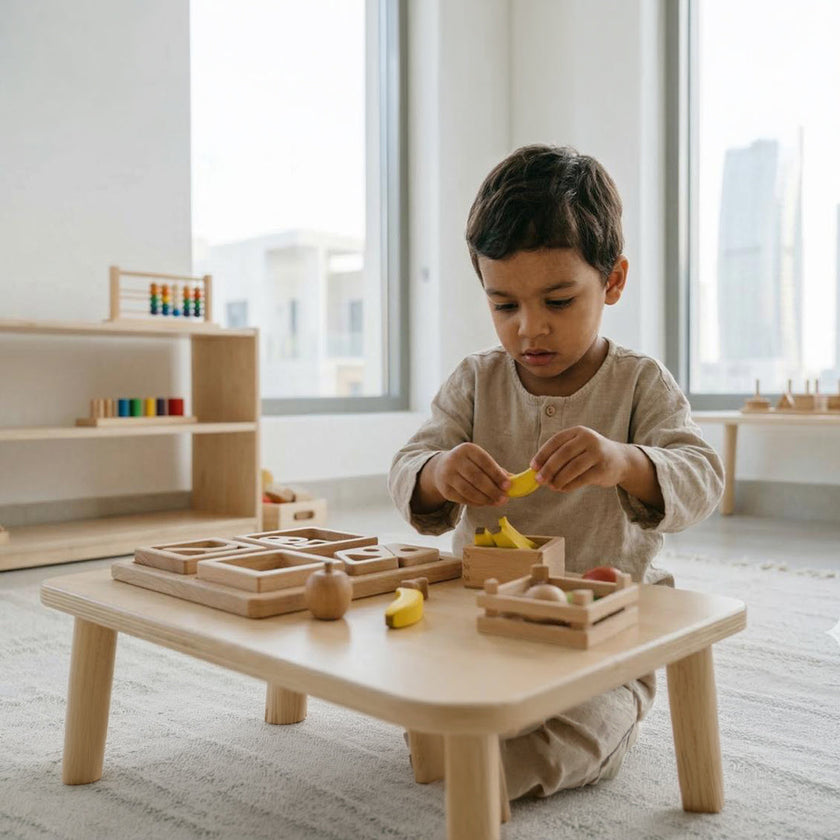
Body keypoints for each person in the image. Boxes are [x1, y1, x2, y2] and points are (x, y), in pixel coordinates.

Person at [388, 144, 724, 800]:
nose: (530, 328)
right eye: (504, 305)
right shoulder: (475, 381)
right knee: (420, 690)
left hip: (604, 625)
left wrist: (627, 462)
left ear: (613, 282)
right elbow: (409, 465)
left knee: (597, 717)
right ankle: (463, 736)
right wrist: (438, 473)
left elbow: (702, 474)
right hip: (488, 616)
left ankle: (508, 768)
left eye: (559, 300)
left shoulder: (639, 383)